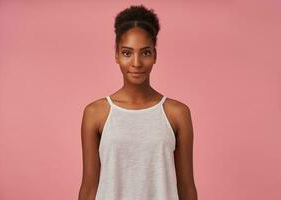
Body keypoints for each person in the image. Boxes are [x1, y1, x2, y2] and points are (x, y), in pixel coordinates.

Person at [78, 4, 198, 200]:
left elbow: (186, 188)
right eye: (127, 53)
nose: (136, 63)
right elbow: (89, 187)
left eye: (145, 52)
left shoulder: (177, 113)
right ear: (116, 55)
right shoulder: (96, 113)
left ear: (155, 55)